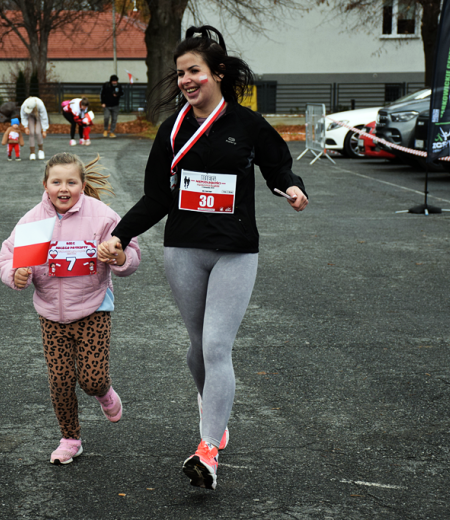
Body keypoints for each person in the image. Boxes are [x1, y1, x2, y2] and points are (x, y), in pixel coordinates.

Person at [97, 25, 308, 490]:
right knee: (198, 349)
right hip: (184, 250)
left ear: (218, 73)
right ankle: (213, 404)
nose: (187, 80)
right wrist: (120, 235)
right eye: (181, 74)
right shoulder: (172, 129)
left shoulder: (247, 123)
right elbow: (156, 197)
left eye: (195, 71)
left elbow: (278, 164)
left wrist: (291, 187)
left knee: (216, 347)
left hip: (235, 251)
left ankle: (207, 450)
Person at [0, 152, 141, 465]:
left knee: (91, 379)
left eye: (71, 182)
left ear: (83, 184)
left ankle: (104, 393)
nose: (64, 188)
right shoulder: (34, 221)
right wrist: (16, 273)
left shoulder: (101, 217)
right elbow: (8, 257)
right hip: (50, 313)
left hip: (93, 308)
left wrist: (117, 256)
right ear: (45, 185)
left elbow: (131, 254)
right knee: (60, 381)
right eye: (56, 181)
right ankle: (70, 438)